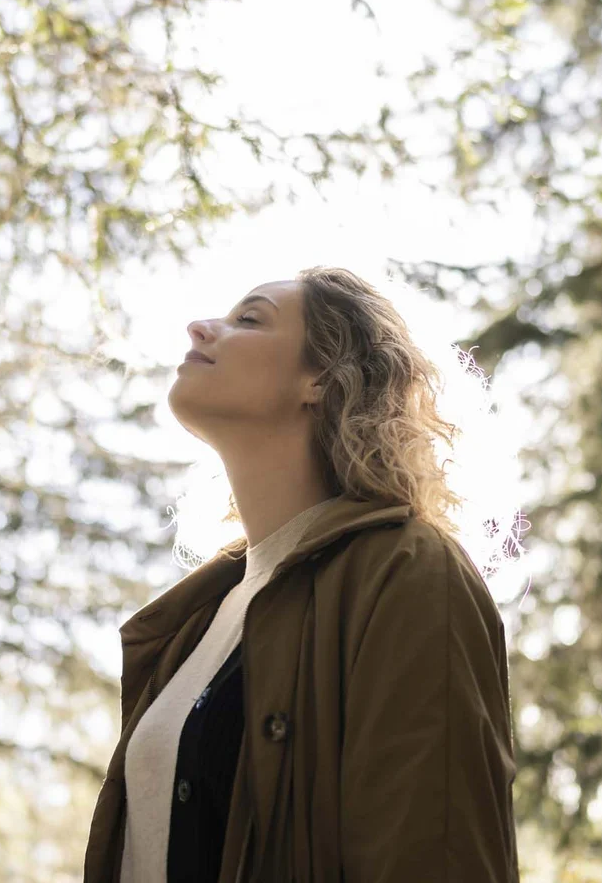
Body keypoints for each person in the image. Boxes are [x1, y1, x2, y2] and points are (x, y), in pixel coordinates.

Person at [81, 266, 519, 883]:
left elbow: (437, 856)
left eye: (249, 319)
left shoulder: (408, 572)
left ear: (322, 378)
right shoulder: (200, 617)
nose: (200, 328)